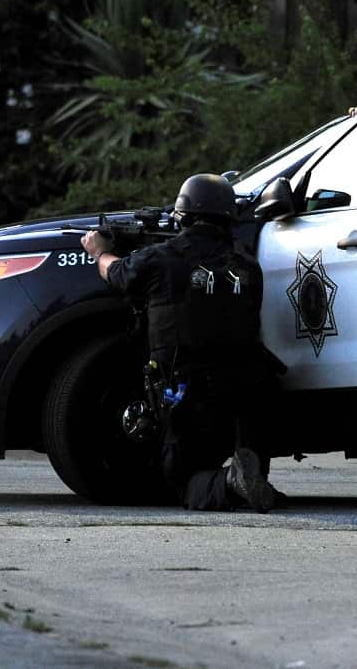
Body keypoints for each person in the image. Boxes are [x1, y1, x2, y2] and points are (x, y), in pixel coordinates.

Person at [80, 173, 281, 512]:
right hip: (249, 391)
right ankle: (251, 476)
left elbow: (118, 274)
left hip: (189, 389)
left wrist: (100, 251)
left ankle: (231, 483)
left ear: (183, 215)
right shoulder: (247, 264)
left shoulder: (162, 257)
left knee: (181, 477)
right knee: (235, 440)